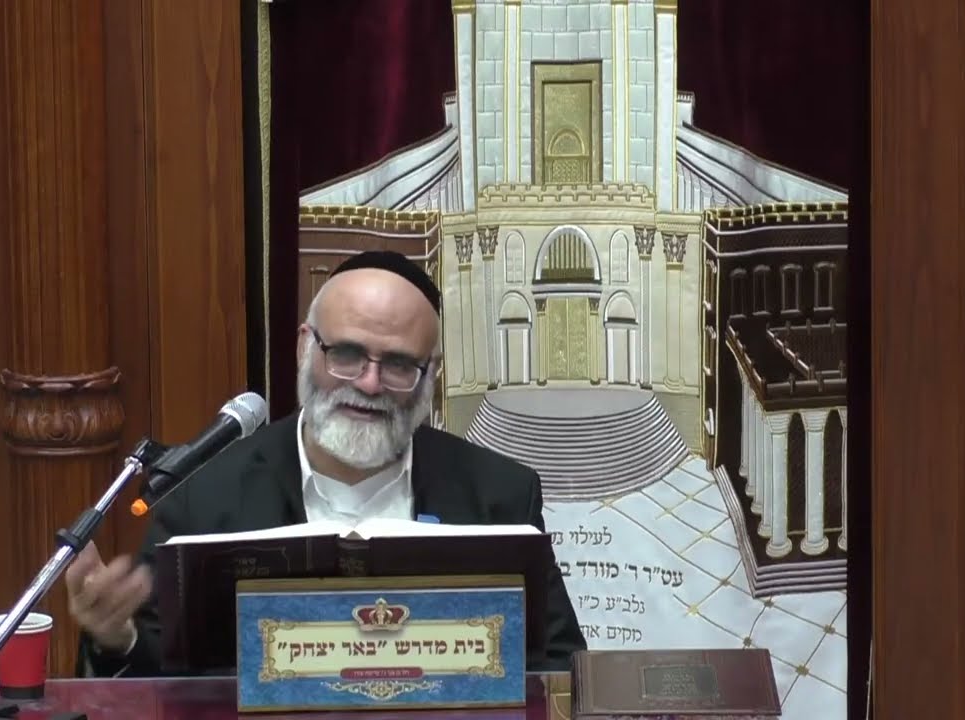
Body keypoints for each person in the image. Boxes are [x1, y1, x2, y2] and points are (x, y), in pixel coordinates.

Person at [66, 250, 587, 677]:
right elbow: (160, 676)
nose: (369, 384)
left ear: (432, 376)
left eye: (399, 364)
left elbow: (560, 670)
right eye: (346, 355)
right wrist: (116, 637)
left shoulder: (498, 495)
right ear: (304, 347)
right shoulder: (202, 496)